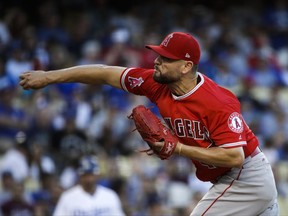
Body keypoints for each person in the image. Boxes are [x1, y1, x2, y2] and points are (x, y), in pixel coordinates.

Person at [19, 32, 279, 215]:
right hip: (232, 179)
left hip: (246, 177)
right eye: (158, 54)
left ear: (186, 66)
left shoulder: (217, 101)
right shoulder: (157, 84)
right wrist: (49, 76)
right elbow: (105, 72)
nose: (157, 60)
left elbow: (234, 156)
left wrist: (179, 149)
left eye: (166, 58)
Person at [52, 155, 125, 216]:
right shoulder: (67, 197)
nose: (88, 179)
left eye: (91, 175)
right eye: (85, 175)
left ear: (97, 175)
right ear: (80, 176)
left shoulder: (110, 196)